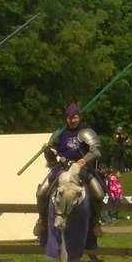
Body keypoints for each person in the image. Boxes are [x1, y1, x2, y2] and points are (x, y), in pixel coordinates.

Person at [34, 103, 106, 243]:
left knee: (99, 194)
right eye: (69, 118)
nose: (71, 120)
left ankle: (95, 223)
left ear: (79, 117)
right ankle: (42, 220)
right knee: (41, 193)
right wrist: (47, 151)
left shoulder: (86, 132)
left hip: (81, 169)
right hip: (61, 168)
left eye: (74, 117)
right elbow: (51, 158)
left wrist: (83, 161)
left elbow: (96, 151)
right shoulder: (59, 133)